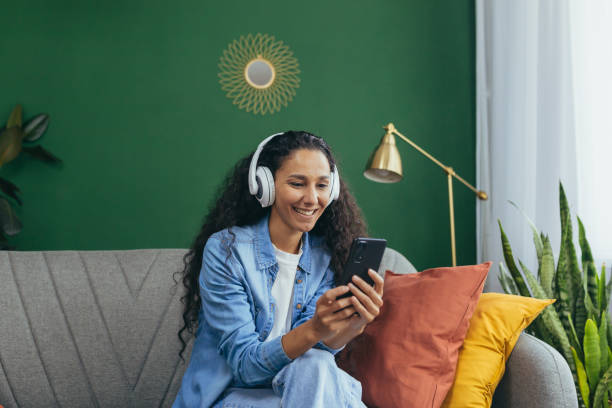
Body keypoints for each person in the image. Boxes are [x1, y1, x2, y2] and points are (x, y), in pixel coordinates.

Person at [172, 131, 384, 408]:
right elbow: (245, 367)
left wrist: (352, 326)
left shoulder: (323, 256)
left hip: (299, 391)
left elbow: (315, 351)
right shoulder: (226, 250)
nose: (312, 198)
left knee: (317, 363)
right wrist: (316, 328)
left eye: (322, 186)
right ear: (265, 185)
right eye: (297, 183)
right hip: (230, 397)